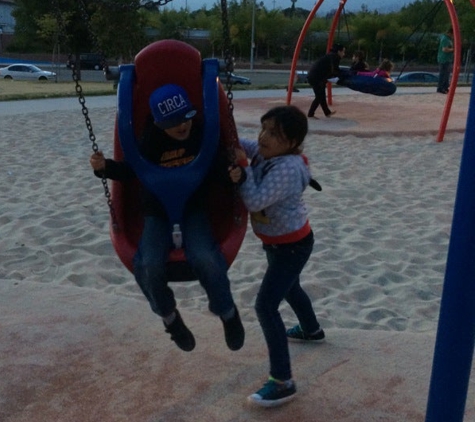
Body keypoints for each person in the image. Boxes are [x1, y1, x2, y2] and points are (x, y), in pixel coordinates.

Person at [89, 83, 245, 353]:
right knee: (148, 264)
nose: (181, 126)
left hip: (194, 208)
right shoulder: (150, 142)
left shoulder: (199, 136)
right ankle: (170, 318)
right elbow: (131, 172)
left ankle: (227, 312)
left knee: (206, 258)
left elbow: (216, 166)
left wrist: (233, 175)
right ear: (160, 124)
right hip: (157, 212)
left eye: (185, 117)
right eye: (173, 122)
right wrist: (105, 169)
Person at [228, 105, 324, 408]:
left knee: (266, 305)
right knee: (290, 288)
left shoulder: (287, 168)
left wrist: (242, 172)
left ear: (292, 143)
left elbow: (255, 200)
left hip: (293, 246)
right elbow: (240, 144)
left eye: (275, 134)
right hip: (279, 243)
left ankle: (283, 381)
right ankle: (312, 330)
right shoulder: (265, 152)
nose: (264, 137)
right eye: (264, 129)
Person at [307, 43, 346, 119]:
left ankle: (327, 112)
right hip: (316, 78)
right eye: (343, 51)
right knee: (319, 97)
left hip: (316, 77)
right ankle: (310, 114)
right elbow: (335, 70)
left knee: (321, 96)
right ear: (339, 51)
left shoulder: (331, 55)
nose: (344, 54)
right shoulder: (335, 57)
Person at [437, 27, 454, 94]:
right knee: (443, 74)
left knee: (446, 74)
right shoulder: (445, 39)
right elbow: (444, 49)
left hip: (448, 59)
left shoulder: (448, 39)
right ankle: (441, 88)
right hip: (443, 59)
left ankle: (445, 87)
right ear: (450, 33)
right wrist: (453, 49)